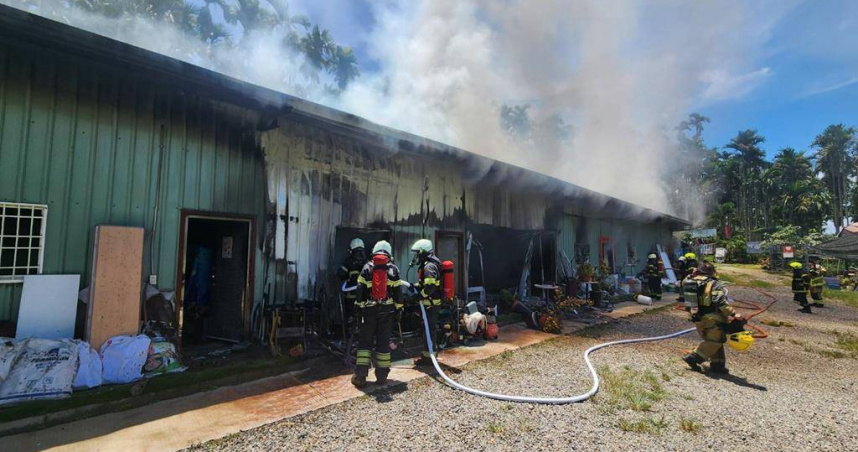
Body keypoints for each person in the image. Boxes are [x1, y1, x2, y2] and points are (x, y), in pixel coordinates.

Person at [351, 240, 402, 388]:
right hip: (387, 312)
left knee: (365, 342)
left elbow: (359, 290)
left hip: (369, 311)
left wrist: (359, 307)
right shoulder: (393, 269)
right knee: (383, 343)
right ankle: (382, 376)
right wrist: (398, 309)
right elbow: (399, 293)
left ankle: (360, 376)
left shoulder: (367, 267)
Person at [682, 261, 742, 374]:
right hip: (712, 318)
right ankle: (693, 357)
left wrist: (692, 274)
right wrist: (733, 314)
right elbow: (719, 301)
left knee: (714, 340)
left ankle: (718, 366)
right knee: (716, 341)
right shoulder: (713, 283)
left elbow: (683, 281)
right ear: (711, 272)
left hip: (696, 317)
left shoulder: (689, 281)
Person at [411, 238, 443, 367]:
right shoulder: (427, 265)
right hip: (429, 303)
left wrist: (420, 295)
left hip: (431, 304)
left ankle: (429, 359)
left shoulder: (429, 266)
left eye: (417, 253)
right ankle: (428, 356)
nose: (416, 256)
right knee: (427, 330)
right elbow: (426, 284)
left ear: (423, 252)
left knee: (429, 330)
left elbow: (429, 287)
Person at [337, 238, 366, 326]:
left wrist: (347, 278)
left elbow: (340, 274)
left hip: (351, 296)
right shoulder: (367, 262)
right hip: (365, 296)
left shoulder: (348, 261)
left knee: (351, 317)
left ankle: (351, 332)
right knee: (363, 316)